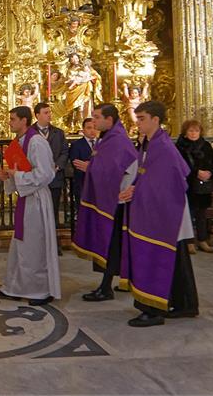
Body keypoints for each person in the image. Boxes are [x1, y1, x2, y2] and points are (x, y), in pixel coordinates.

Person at [120, 101, 198, 327]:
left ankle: (153, 310)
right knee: (177, 259)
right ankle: (184, 304)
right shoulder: (150, 144)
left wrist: (137, 189)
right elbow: (148, 176)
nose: (138, 123)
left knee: (159, 256)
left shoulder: (162, 146)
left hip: (165, 213)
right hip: (162, 211)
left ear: (155, 119)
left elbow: (170, 181)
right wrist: (135, 186)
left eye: (142, 118)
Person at [0, 106, 60, 304]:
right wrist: (6, 176)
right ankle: (14, 286)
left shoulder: (37, 142)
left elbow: (46, 174)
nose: (10, 122)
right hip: (26, 198)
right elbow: (17, 171)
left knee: (35, 246)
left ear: (24, 121)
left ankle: (40, 291)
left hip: (37, 199)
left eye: (13, 119)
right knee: (21, 245)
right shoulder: (19, 142)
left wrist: (17, 176)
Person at [72, 103, 139, 302]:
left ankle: (106, 287)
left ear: (109, 120)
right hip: (113, 200)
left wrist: (90, 168)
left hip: (117, 202)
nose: (93, 121)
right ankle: (111, 284)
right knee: (113, 244)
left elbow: (117, 170)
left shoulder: (116, 140)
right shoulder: (108, 138)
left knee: (112, 244)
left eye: (97, 117)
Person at [176, 120, 213, 254]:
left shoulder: (205, 145)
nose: (193, 133)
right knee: (189, 214)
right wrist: (196, 173)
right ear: (185, 132)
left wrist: (210, 173)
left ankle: (202, 240)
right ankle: (189, 242)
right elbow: (179, 165)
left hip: (204, 185)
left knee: (202, 213)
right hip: (188, 184)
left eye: (196, 130)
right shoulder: (180, 147)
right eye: (190, 130)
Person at [33, 103, 68, 254]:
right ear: (37, 115)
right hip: (37, 179)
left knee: (52, 211)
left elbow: (64, 152)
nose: (49, 115)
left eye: (49, 112)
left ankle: (54, 244)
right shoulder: (30, 133)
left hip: (54, 178)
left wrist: (57, 166)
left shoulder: (58, 133)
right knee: (36, 213)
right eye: (46, 112)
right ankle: (38, 245)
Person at [69, 117, 98, 216]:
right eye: (89, 128)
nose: (92, 130)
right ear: (83, 130)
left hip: (99, 186)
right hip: (83, 184)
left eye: (95, 127)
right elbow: (77, 165)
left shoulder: (103, 144)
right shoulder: (76, 145)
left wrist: (90, 165)